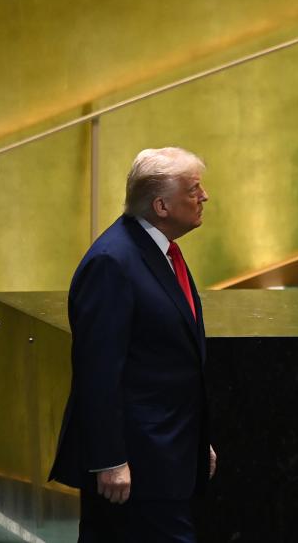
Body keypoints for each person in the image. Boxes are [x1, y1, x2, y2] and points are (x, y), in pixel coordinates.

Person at [49, 146, 216, 542]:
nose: (204, 196)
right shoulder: (113, 262)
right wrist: (109, 459)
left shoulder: (160, 252)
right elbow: (98, 371)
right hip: (136, 464)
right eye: (193, 189)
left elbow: (166, 362)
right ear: (161, 205)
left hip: (166, 456)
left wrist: (197, 443)